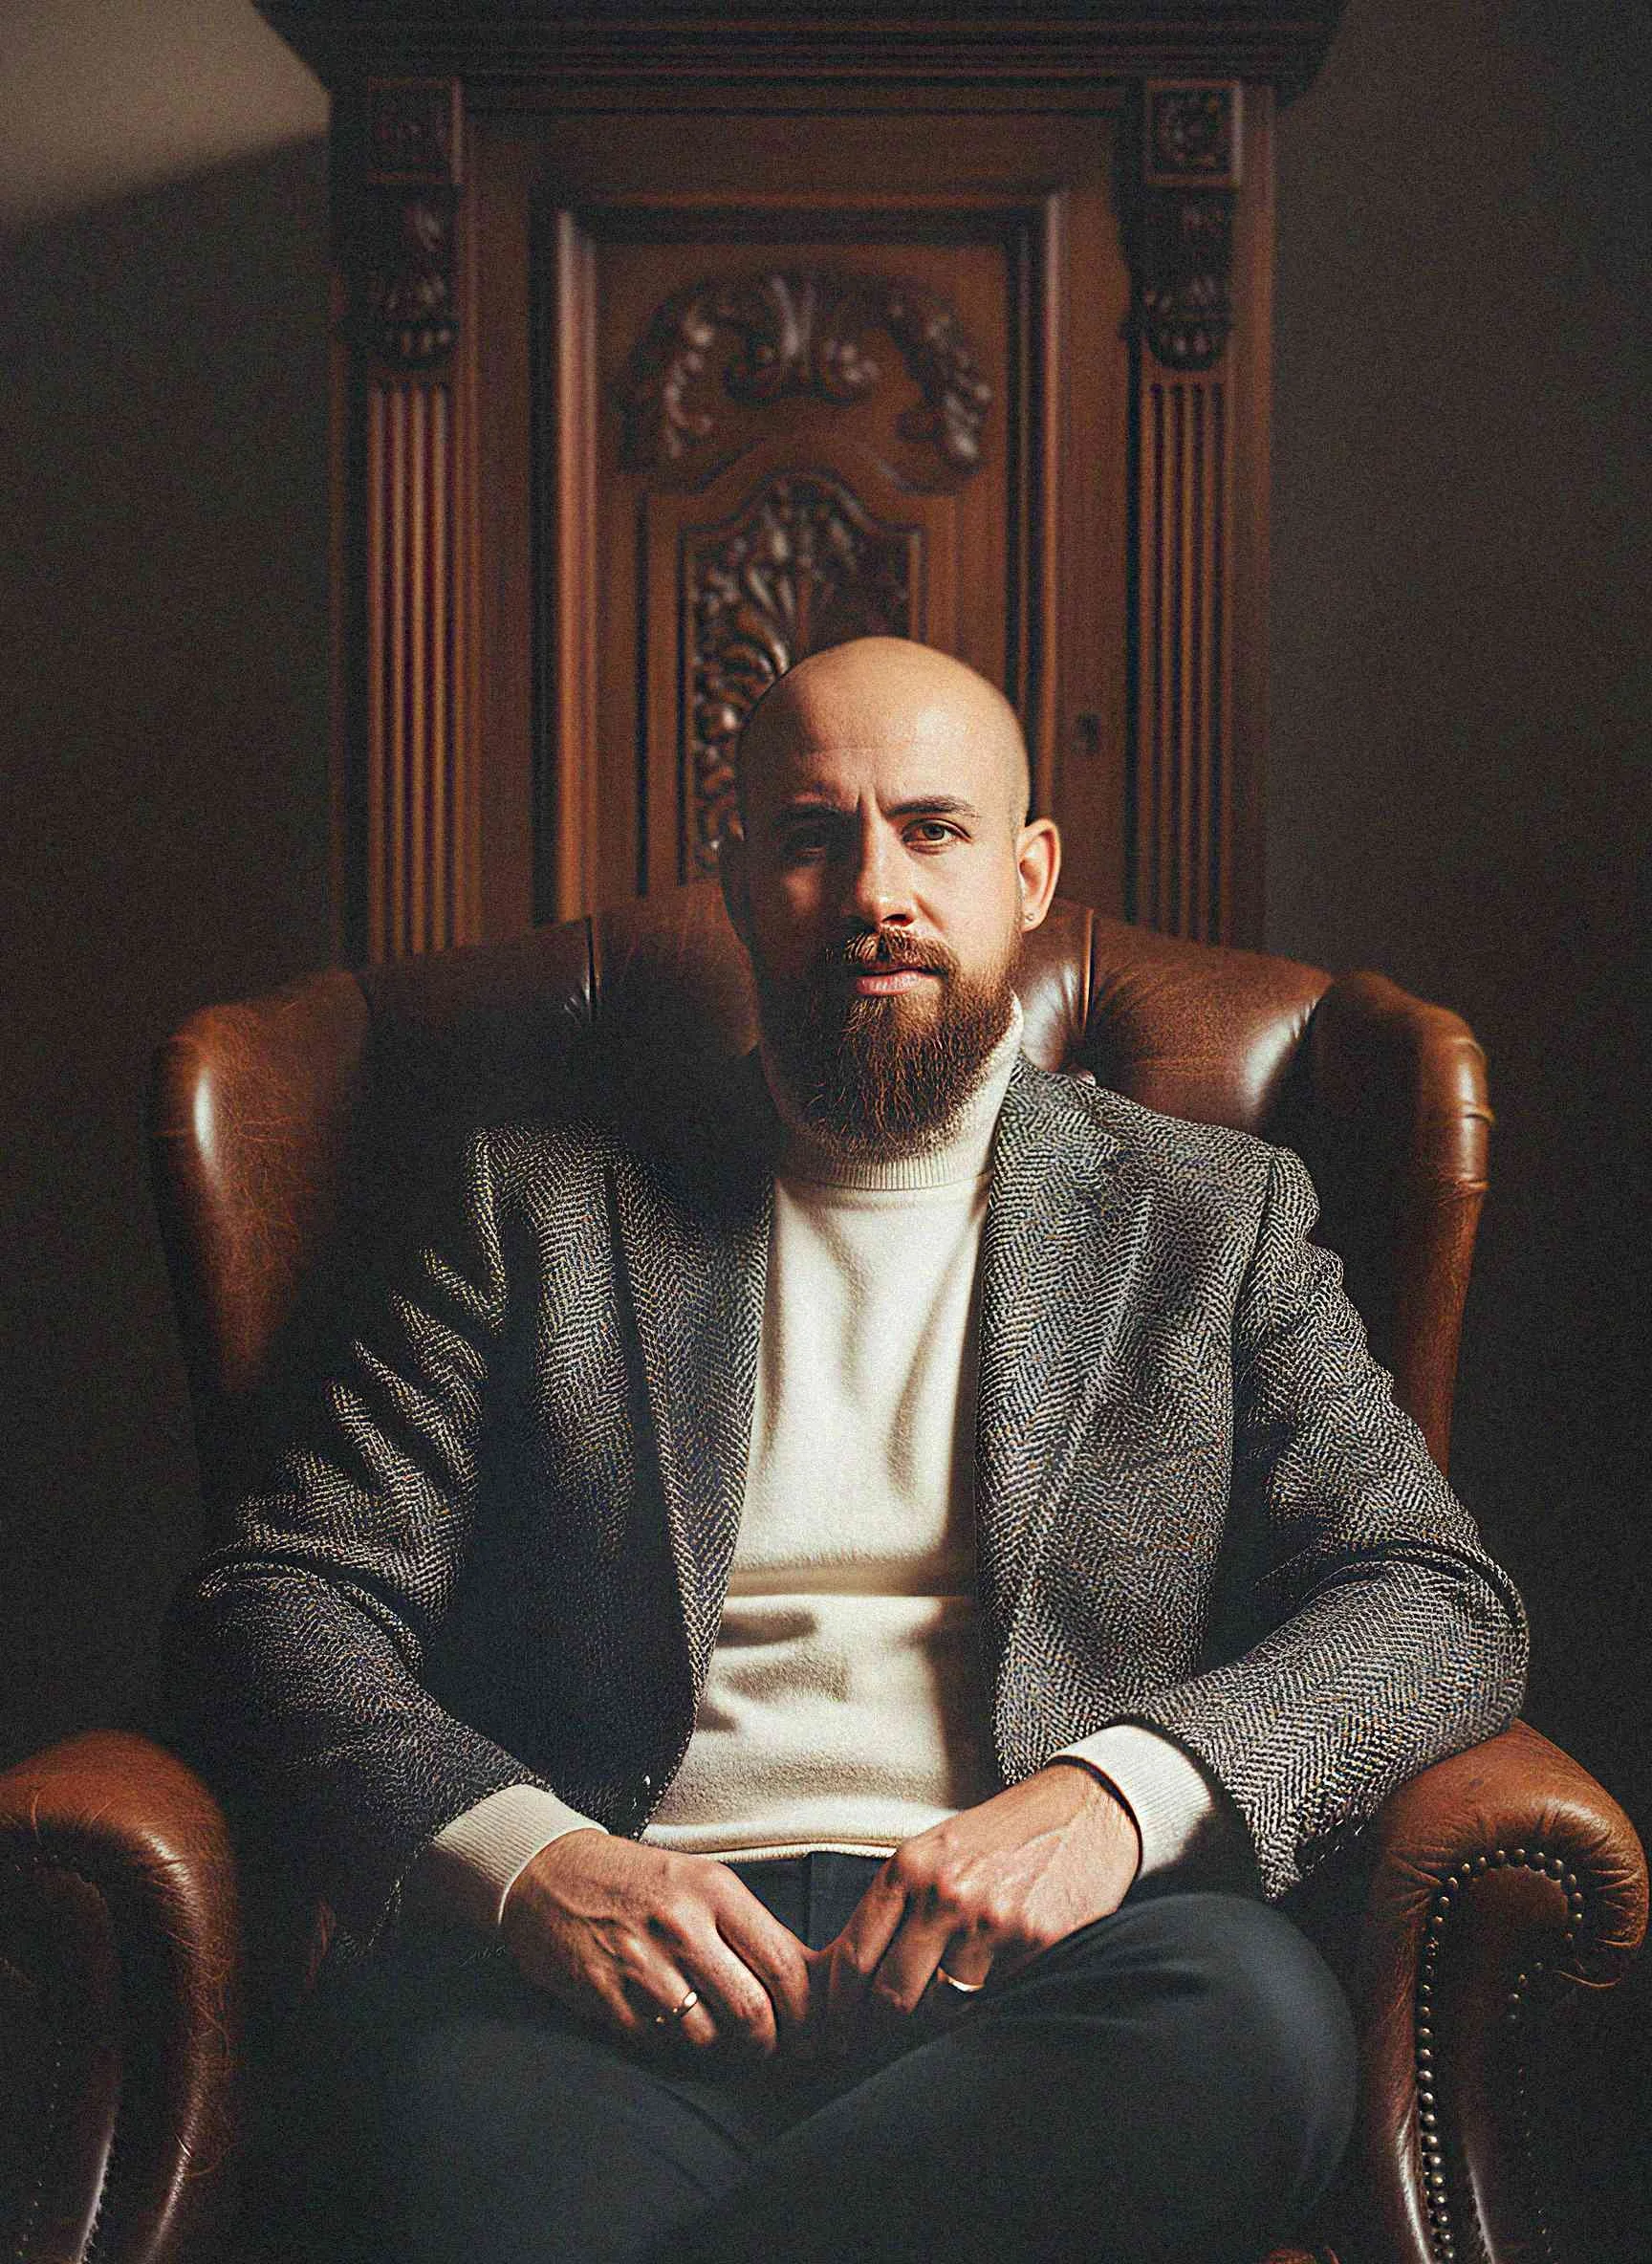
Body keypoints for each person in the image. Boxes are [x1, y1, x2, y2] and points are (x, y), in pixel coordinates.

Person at [172, 638, 1527, 2264]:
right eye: (815, 836)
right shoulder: (529, 1205)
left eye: (934, 831)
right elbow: (276, 1606)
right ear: (740, 880)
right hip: (608, 1986)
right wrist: (532, 1866)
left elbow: (1439, 1602)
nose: (875, 888)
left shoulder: (1204, 1218)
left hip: (1042, 1990)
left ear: (1028, 876)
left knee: (1258, 2031)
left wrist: (1112, 1797)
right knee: (407, 2116)